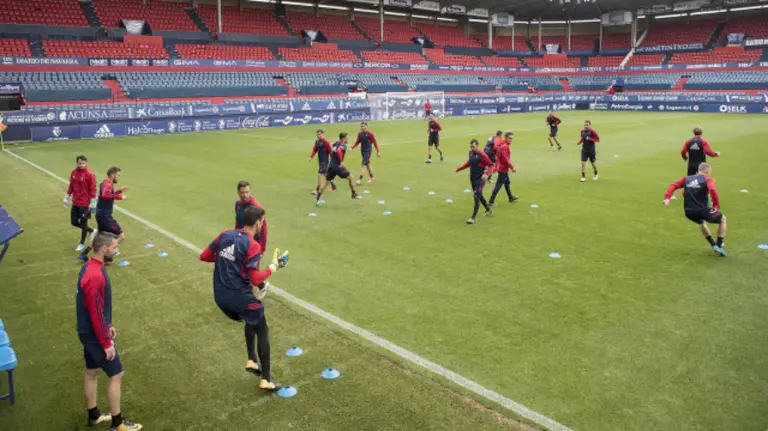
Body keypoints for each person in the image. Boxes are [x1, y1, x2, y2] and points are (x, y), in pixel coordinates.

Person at [199, 206, 289, 391]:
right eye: (262, 222)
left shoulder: (225, 234)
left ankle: (252, 360)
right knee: (262, 328)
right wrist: (274, 266)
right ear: (257, 222)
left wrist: (229, 261)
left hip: (220, 296)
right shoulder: (252, 245)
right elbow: (256, 279)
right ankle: (266, 380)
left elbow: (205, 256)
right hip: (238, 297)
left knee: (252, 314)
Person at [77, 232, 142, 431]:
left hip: (88, 332)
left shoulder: (89, 267)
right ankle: (118, 423)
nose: (116, 251)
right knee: (116, 373)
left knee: (92, 371)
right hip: (95, 335)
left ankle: (94, 415)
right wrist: (106, 342)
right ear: (104, 249)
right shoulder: (95, 275)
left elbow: (97, 305)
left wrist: (109, 324)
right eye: (114, 247)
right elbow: (95, 312)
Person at [663, 162, 727, 257]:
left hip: (689, 212)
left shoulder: (687, 179)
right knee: (723, 219)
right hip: (703, 210)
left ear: (698, 170)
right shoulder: (708, 179)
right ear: (707, 171)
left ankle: (713, 245)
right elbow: (712, 190)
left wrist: (667, 197)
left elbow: (674, 185)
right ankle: (719, 244)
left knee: (701, 223)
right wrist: (716, 205)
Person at [78, 167, 127, 261]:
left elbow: (108, 194)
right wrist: (120, 197)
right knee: (121, 235)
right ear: (112, 175)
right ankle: (109, 253)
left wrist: (119, 191)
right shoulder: (108, 184)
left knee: (99, 236)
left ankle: (84, 254)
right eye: (118, 175)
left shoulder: (105, 183)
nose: (119, 177)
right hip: (105, 216)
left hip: (100, 214)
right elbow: (105, 195)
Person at [316, 132, 362, 205]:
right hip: (337, 166)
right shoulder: (343, 145)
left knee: (326, 182)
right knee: (351, 177)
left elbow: (333, 147)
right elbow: (338, 151)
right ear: (343, 138)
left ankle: (317, 198)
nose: (348, 138)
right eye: (347, 137)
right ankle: (354, 194)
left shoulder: (337, 143)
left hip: (331, 165)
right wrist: (341, 161)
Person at [64, 155, 97, 253]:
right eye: (79, 163)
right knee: (73, 222)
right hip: (75, 202)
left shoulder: (90, 175)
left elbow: (93, 189)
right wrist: (66, 197)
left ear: (86, 163)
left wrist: (93, 202)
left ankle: (82, 243)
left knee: (83, 223)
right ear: (77, 163)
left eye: (83, 163)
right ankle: (91, 230)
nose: (81, 165)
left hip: (84, 204)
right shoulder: (73, 172)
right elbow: (71, 186)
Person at [456, 139, 493, 224]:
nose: (472, 148)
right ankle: (488, 209)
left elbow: (491, 165)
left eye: (473, 147)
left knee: (476, 196)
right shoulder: (471, 153)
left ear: (477, 146)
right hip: (473, 179)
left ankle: (473, 218)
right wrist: (459, 168)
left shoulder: (482, 155)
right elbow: (469, 163)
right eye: (471, 147)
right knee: (479, 195)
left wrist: (486, 174)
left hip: (480, 180)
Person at [489, 132, 519, 206]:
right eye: (509, 138)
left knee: (507, 182)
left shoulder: (502, 144)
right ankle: (491, 201)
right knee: (499, 184)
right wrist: (512, 167)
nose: (511, 140)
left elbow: (498, 156)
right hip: (503, 168)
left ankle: (510, 197)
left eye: (512, 138)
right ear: (505, 138)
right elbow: (505, 159)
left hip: (501, 167)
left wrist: (496, 166)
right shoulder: (505, 146)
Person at [308, 129, 336, 195]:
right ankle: (333, 186)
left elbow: (330, 151)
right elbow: (315, 150)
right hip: (320, 161)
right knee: (326, 174)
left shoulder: (326, 142)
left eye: (320, 134)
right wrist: (311, 156)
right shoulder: (317, 142)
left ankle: (318, 189)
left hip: (324, 161)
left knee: (319, 174)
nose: (318, 135)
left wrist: (334, 160)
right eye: (317, 134)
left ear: (322, 134)